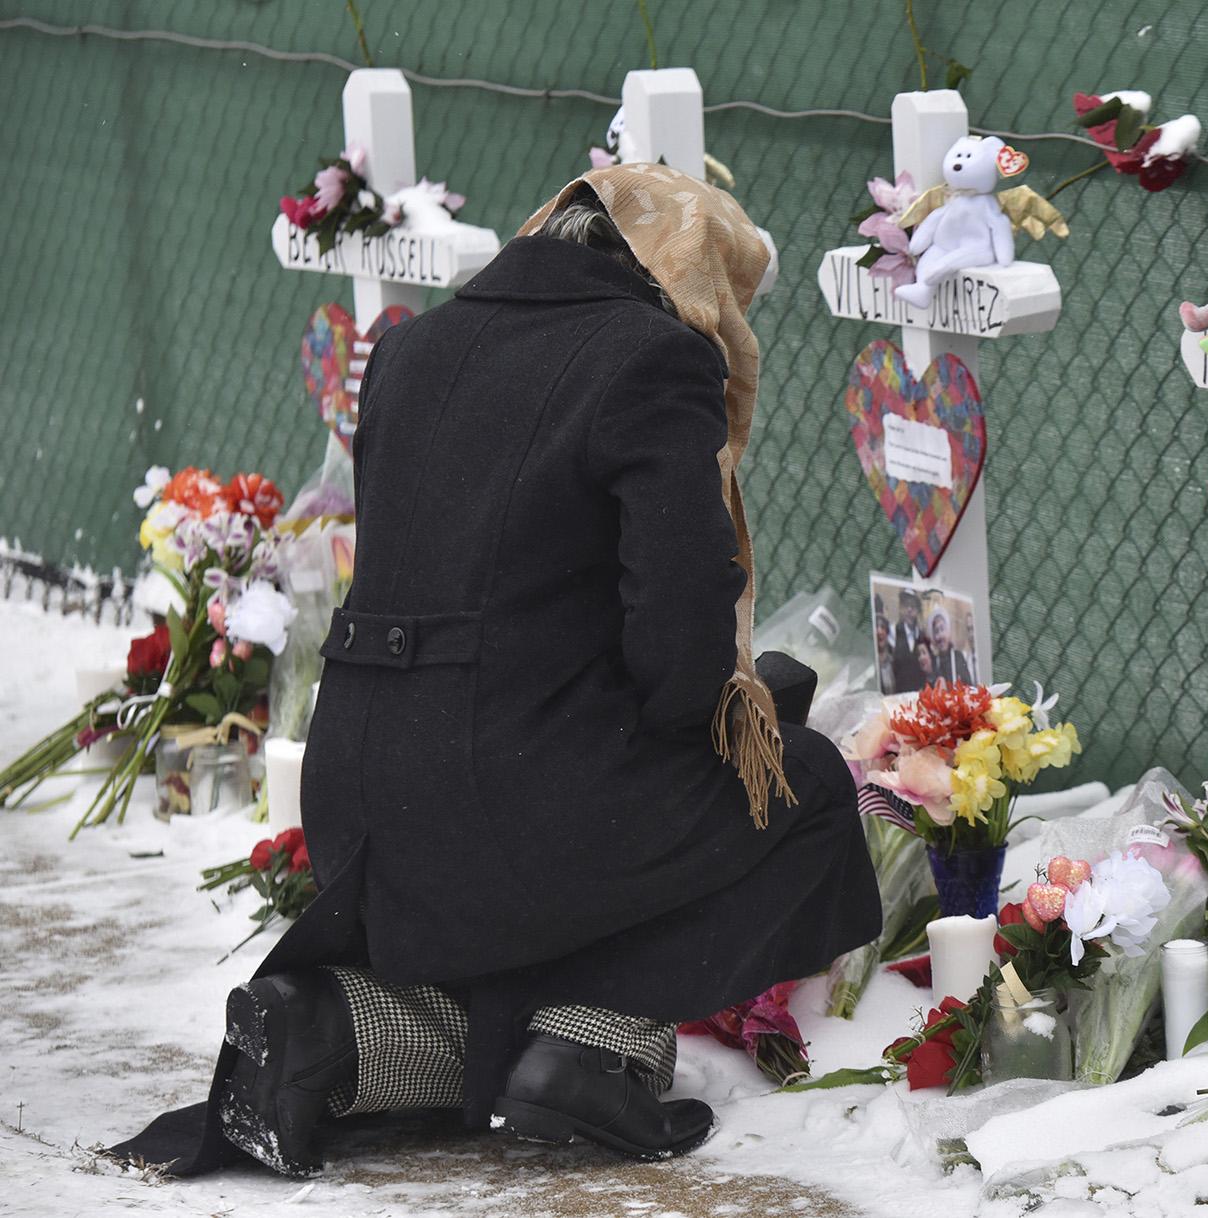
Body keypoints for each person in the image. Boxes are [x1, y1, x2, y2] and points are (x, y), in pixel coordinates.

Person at [112, 166, 881, 1178]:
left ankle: (328, 1030)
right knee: (808, 788)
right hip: (511, 790)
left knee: (564, 858)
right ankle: (594, 1047)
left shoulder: (412, 348)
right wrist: (739, 715)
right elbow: (679, 647)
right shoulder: (651, 358)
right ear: (687, 280)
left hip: (365, 807)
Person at [886, 587, 924, 693]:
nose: (909, 609)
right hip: (899, 696)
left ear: (917, 610)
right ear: (900, 608)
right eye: (906, 605)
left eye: (913, 606)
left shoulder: (922, 636)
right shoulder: (893, 632)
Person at [927, 610, 973, 684]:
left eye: (942, 629)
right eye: (936, 631)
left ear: (948, 631)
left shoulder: (958, 657)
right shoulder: (933, 662)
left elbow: (969, 686)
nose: (940, 636)